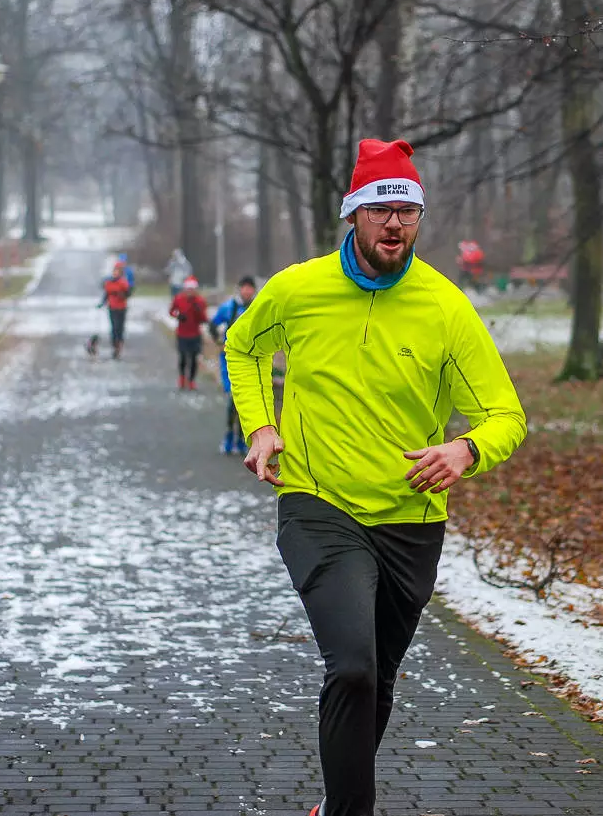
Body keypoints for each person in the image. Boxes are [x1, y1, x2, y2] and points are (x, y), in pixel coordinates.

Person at [224, 138, 526, 816]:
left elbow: (507, 414)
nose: (395, 223)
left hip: (410, 521)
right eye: (381, 209)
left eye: (408, 211)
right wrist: (261, 425)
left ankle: (335, 802)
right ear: (354, 215)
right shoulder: (298, 288)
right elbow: (242, 346)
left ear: (419, 219)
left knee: (377, 677)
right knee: (353, 664)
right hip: (318, 503)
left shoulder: (444, 307)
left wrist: (467, 450)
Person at [208, 275, 257, 454]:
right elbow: (213, 325)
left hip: (251, 360)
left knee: (246, 402)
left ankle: (242, 440)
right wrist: (219, 343)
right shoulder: (230, 307)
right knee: (234, 400)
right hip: (230, 361)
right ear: (239, 289)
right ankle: (230, 437)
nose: (247, 291)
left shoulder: (258, 307)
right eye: (244, 287)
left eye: (250, 288)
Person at [170, 276, 207, 390]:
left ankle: (191, 381)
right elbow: (171, 311)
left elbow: (204, 319)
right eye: (188, 289)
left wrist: (198, 310)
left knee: (194, 358)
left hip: (195, 334)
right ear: (185, 289)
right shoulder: (179, 299)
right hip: (182, 333)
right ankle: (182, 378)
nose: (190, 292)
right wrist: (178, 316)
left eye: (192, 289)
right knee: (183, 357)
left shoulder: (200, 301)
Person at [97, 261, 131, 359]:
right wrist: (102, 303)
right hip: (112, 307)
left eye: (117, 271)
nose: (115, 273)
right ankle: (115, 346)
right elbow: (106, 294)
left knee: (120, 327)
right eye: (114, 271)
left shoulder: (123, 282)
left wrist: (122, 295)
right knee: (114, 327)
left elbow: (128, 293)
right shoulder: (109, 282)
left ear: (120, 272)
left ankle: (119, 344)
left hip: (122, 307)